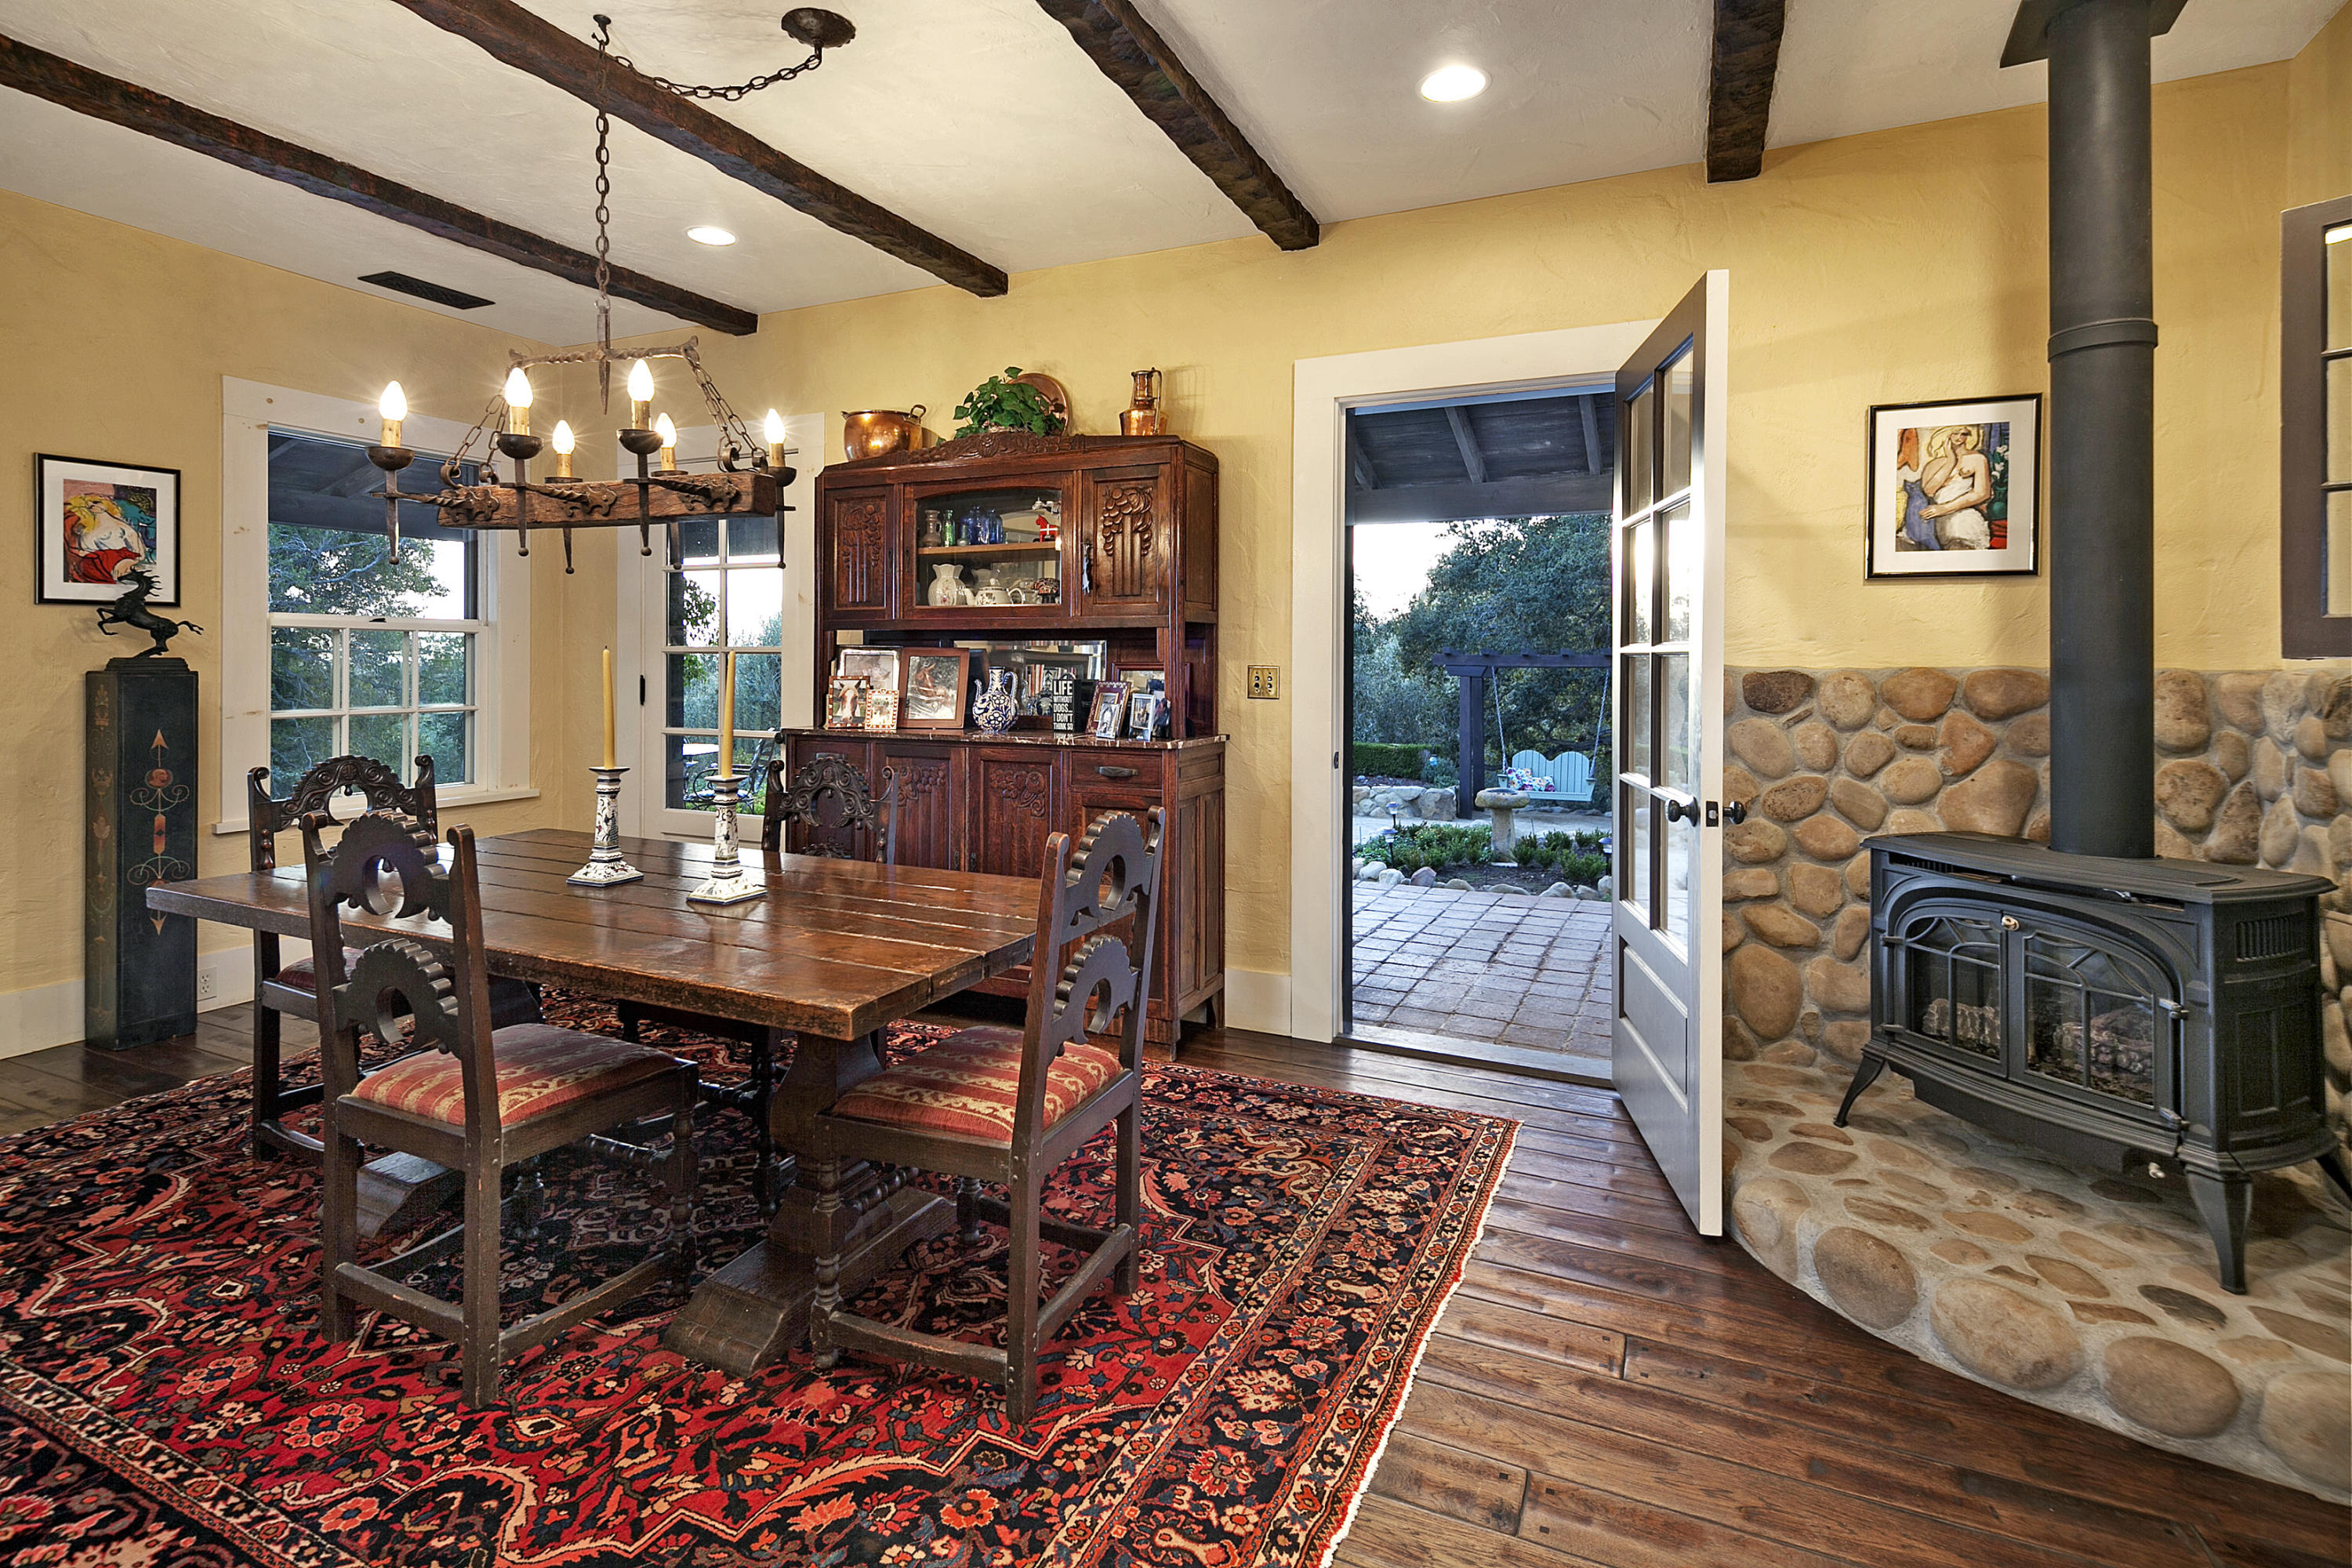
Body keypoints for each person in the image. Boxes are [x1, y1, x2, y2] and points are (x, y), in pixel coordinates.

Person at [1918, 426, 1994, 550]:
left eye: (1964, 434)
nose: (1960, 438)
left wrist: (1945, 508)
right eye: (1955, 434)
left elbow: (1982, 493)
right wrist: (1950, 461)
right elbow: (1929, 491)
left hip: (1964, 517)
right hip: (1938, 520)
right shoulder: (1934, 464)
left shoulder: (1978, 459)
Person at [64, 492, 150, 584]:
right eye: (89, 506)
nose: (93, 506)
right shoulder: (86, 530)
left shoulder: (122, 526)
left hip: (123, 567)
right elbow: (85, 553)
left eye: (96, 502)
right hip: (97, 568)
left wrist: (129, 562)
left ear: (105, 503)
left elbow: (140, 553)